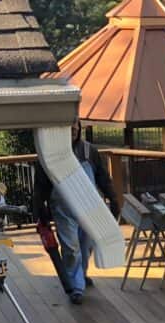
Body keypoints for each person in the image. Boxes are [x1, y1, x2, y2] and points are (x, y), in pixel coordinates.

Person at [32, 120, 120, 305]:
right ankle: (75, 286)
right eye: (68, 127)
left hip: (90, 207)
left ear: (79, 128)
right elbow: (41, 185)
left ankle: (81, 274)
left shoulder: (89, 152)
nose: (73, 129)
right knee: (71, 247)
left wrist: (113, 199)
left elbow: (103, 177)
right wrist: (40, 209)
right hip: (63, 208)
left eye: (75, 126)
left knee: (86, 244)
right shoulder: (50, 154)